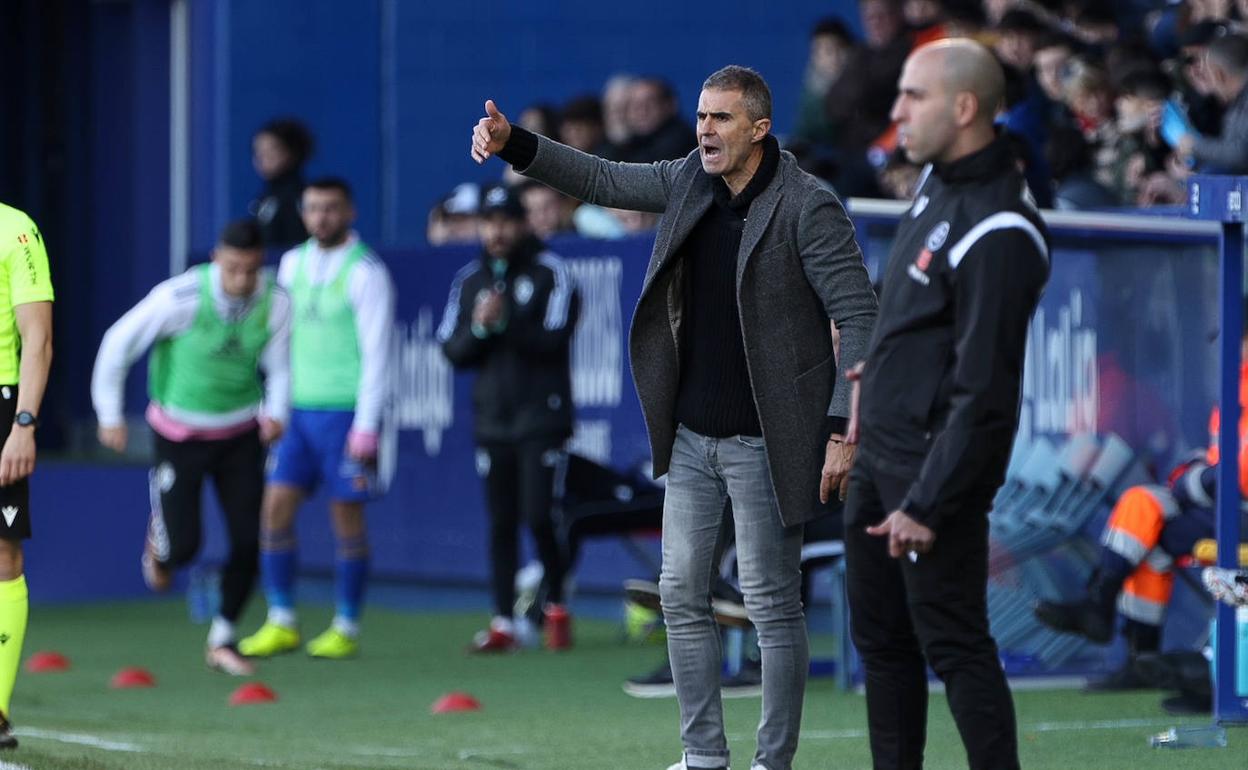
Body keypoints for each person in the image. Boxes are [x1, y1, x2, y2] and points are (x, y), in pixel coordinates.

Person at [472, 64, 877, 770]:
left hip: (766, 437)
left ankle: (771, 761)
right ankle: (703, 757)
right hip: (691, 436)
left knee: (771, 606)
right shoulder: (689, 177)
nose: (704, 130)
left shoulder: (808, 205)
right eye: (700, 117)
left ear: (759, 128)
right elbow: (599, 180)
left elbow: (860, 318)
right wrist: (515, 145)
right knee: (679, 595)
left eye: (721, 119)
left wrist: (844, 428)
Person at [842, 39, 1049, 770]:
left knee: (955, 642)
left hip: (934, 474)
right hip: (880, 456)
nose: (896, 111)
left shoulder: (1000, 228)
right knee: (883, 647)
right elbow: (920, 331)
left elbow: (984, 393)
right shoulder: (936, 183)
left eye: (913, 96)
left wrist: (927, 503)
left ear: (965, 108)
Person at [91, 218, 290, 677]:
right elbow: (117, 344)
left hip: (241, 433)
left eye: (250, 270)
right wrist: (109, 416)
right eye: (233, 268)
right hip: (179, 435)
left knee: (246, 539)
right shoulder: (179, 298)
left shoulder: (276, 302)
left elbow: (279, 366)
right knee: (184, 550)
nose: (241, 280)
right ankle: (160, 542)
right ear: (217, 259)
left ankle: (222, 636)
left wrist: (277, 410)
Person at [1035, 327, 1248, 690]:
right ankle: (1129, 642)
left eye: (1233, 339)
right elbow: (1217, 461)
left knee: (1150, 536)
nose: (1225, 348)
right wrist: (1192, 477)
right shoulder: (1235, 386)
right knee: (1141, 506)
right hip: (1221, 506)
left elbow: (1237, 474)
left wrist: (1190, 482)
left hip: (1238, 512)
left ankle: (1113, 621)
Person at [239, 178, 395, 660]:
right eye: (313, 209)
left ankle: (346, 625)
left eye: (331, 209)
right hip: (298, 417)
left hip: (346, 416)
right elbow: (277, 342)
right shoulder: (290, 263)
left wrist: (367, 425)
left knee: (344, 517)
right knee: (274, 511)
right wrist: (273, 407)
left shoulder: (367, 272)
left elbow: (378, 354)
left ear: (349, 212)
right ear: (303, 214)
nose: (321, 217)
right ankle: (282, 619)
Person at [438, 184, 580, 652]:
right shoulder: (469, 280)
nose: (497, 231)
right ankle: (503, 619)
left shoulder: (551, 272)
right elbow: (453, 351)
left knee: (539, 516)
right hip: (493, 420)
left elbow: (553, 338)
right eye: (489, 222)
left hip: (542, 416)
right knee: (500, 521)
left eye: (506, 222)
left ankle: (556, 598)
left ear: (523, 224)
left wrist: (507, 320)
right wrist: (481, 326)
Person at [0, 203, 53, 749]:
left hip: (1, 403)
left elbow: (37, 338)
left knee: (3, 554)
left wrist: (24, 424)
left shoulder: (15, 228)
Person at [1177, 33, 1248, 173]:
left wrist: (1195, 146)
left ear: (1219, 75)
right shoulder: (1235, 104)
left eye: (1208, 75)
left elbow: (1242, 154)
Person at [249, 118, 314, 248]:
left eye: (271, 150)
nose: (262, 157)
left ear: (292, 152)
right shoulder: (265, 197)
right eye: (258, 151)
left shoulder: (302, 196)